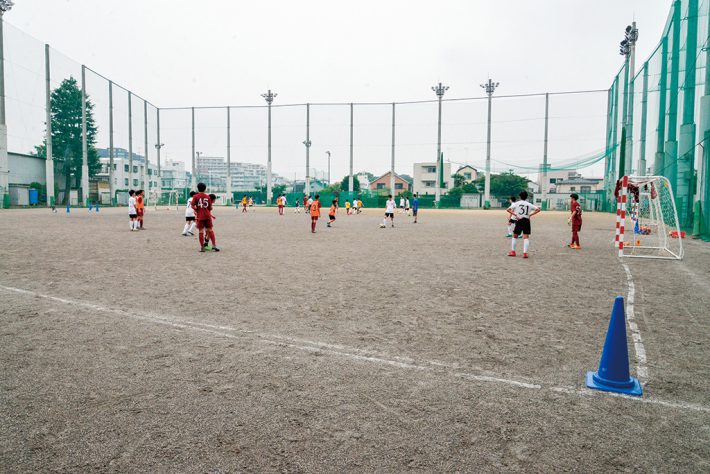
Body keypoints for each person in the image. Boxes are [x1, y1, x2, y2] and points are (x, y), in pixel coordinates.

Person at [506, 190, 540, 258]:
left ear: (520, 196)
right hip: (526, 220)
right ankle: (525, 253)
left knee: (515, 235)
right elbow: (538, 209)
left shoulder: (517, 203)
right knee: (526, 237)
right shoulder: (529, 204)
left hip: (519, 219)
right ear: (526, 197)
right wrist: (530, 215)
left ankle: (513, 251)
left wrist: (515, 215)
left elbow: (508, 209)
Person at [192, 182, 219, 252]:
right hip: (207, 216)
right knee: (210, 230)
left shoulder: (195, 196)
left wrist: (197, 209)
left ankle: (202, 247)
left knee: (201, 231)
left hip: (200, 216)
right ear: (205, 189)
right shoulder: (207, 197)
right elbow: (210, 208)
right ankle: (214, 246)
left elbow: (192, 205)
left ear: (198, 188)